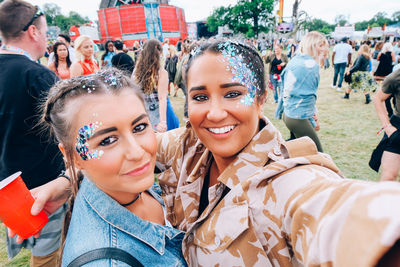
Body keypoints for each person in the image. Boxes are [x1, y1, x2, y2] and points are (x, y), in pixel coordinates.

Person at [15, 39, 400, 266]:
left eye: (233, 93)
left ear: (262, 98)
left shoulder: (285, 182)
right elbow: (116, 151)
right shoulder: (188, 146)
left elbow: (331, 209)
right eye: (200, 96)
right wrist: (66, 180)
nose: (215, 112)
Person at [41, 69, 186, 266]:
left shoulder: (121, 184)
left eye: (139, 127)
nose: (137, 152)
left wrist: (67, 180)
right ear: (72, 156)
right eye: (107, 140)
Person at [0, 0, 66, 266]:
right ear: (33, 32)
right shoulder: (37, 75)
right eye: (46, 32)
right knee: (49, 256)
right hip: (46, 186)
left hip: (8, 184)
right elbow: (72, 132)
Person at [275, 31, 328, 152]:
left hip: (289, 113)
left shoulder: (296, 60)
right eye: (321, 45)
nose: (324, 49)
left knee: (295, 151)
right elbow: (308, 97)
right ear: (312, 46)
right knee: (317, 153)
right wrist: (313, 121)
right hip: (298, 117)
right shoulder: (310, 65)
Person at [132, 39, 179, 132]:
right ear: (159, 53)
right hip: (160, 112)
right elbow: (162, 99)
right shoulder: (161, 73)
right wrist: (163, 122)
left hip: (144, 111)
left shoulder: (135, 72)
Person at [370, 69, 400, 181]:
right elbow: (378, 98)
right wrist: (387, 126)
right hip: (397, 130)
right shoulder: (396, 77)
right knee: (388, 178)